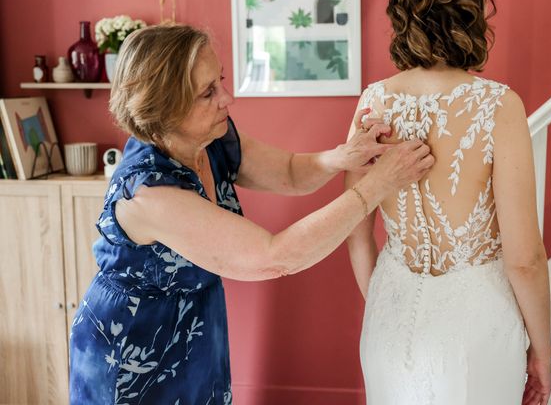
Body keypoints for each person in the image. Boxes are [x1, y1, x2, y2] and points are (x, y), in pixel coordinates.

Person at [67, 24, 434, 404]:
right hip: (129, 349)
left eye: (220, 81)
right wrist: (377, 186)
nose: (227, 97)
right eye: (208, 92)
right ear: (164, 107)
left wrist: (343, 156)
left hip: (192, 331)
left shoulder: (208, 141)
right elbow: (274, 257)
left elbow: (290, 172)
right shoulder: (150, 194)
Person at [345, 0, 551, 405]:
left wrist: (384, 302)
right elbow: (525, 258)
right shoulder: (499, 106)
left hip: (390, 320)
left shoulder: (374, 101)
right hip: (475, 331)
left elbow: (356, 231)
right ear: (476, 6)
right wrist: (541, 353)